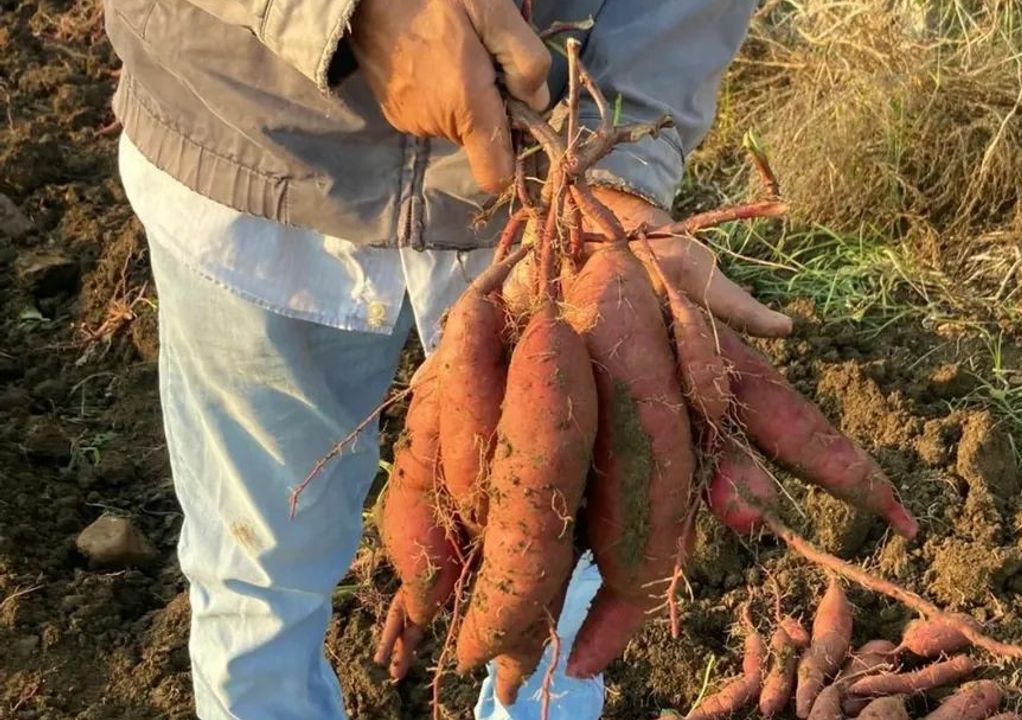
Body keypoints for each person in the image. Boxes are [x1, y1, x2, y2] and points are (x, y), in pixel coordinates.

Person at [102, 0, 790, 717]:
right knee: (256, 577)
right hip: (248, 150)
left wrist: (624, 152)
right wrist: (347, 11)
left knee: (564, 571)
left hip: (542, 193)